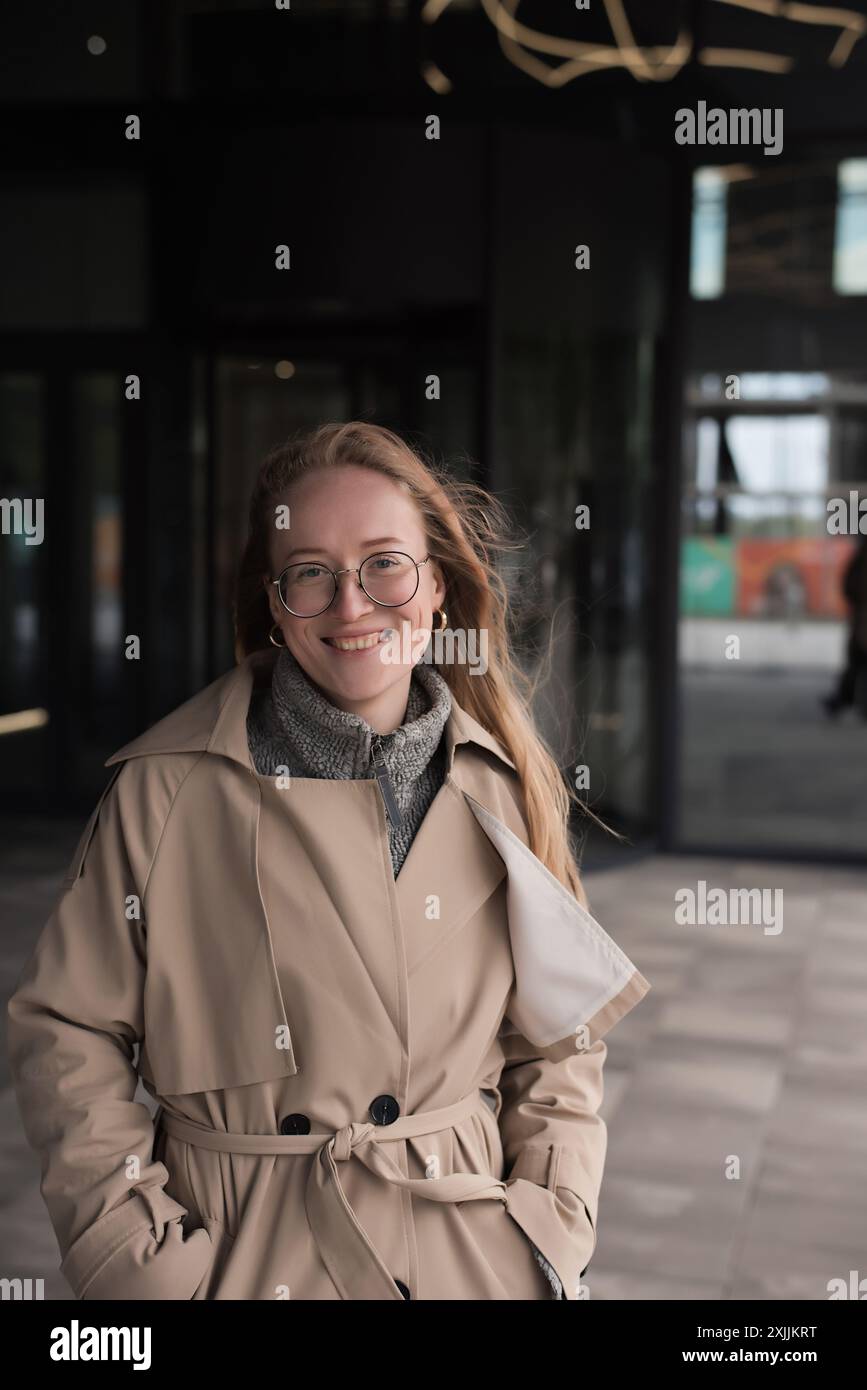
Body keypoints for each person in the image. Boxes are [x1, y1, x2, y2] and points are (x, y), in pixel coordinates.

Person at [7, 421, 650, 1301]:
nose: (352, 606)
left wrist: (550, 1216)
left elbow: (559, 1035)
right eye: (310, 573)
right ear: (274, 604)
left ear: (436, 589)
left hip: (467, 1258)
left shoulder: (502, 786)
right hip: (246, 1259)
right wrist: (141, 1266)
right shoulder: (164, 791)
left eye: (385, 563)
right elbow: (66, 1030)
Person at [821, 532, 867, 719]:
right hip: (862, 619)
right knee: (857, 662)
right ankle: (843, 700)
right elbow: (851, 585)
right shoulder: (862, 558)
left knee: (858, 662)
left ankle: (842, 700)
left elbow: (850, 585)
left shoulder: (861, 557)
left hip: (861, 619)